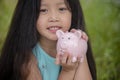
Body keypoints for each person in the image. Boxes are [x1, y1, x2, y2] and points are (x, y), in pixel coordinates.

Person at [0, 0, 96, 80]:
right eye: (43, 10)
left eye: (62, 9)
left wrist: (81, 49)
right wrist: (68, 71)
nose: (53, 18)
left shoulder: (75, 46)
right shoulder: (27, 60)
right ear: (29, 15)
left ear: (73, 13)